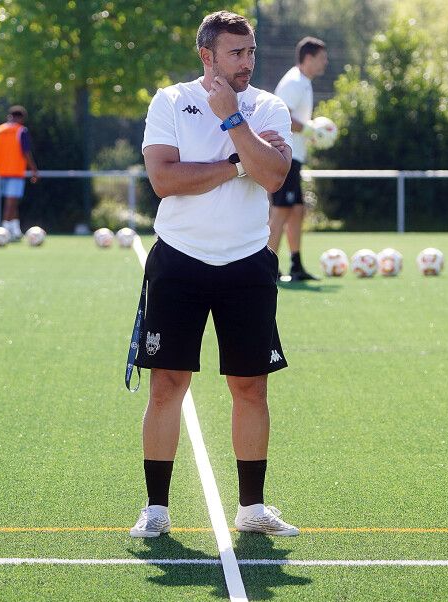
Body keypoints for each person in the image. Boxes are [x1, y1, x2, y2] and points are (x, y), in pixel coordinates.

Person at [129, 10, 298, 539]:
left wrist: (232, 121)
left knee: (250, 388)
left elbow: (272, 175)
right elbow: (164, 179)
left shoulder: (267, 105)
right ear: (207, 56)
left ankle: (252, 509)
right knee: (167, 385)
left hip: (248, 262)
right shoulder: (171, 101)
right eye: (235, 53)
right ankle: (156, 509)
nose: (246, 61)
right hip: (179, 260)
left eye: (250, 52)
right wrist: (233, 165)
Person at [270, 36, 328, 281]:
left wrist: (309, 132)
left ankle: (295, 266)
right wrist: (310, 129)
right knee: (282, 210)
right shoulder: (294, 82)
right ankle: (267, 266)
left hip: (295, 156)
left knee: (297, 210)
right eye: (322, 59)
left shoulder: (303, 82)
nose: (325, 64)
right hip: (286, 156)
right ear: (308, 58)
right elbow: (282, 117)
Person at [0, 106, 37, 241]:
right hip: (16, 172)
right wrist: (33, 170)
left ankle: (16, 230)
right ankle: (4, 232)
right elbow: (26, 152)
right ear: (20, 118)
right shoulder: (21, 131)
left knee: (12, 203)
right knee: (11, 204)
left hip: (1, 173)